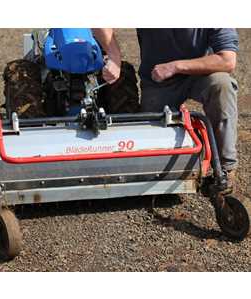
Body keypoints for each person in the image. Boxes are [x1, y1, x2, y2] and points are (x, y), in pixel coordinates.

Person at [92, 28, 239, 191]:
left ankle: (226, 169)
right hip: (159, 81)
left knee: (222, 86)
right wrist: (114, 56)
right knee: (149, 146)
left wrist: (175, 66)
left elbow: (227, 60)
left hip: (201, 72)